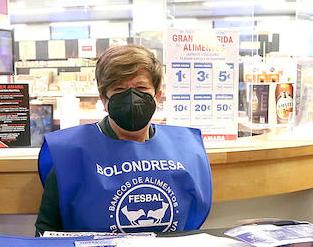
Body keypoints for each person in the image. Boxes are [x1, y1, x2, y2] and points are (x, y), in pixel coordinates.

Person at [36, 44, 212, 234]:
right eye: (119, 89)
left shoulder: (186, 151)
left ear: (157, 96)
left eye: (141, 87)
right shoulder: (71, 154)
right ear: (104, 100)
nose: (131, 97)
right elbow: (47, 230)